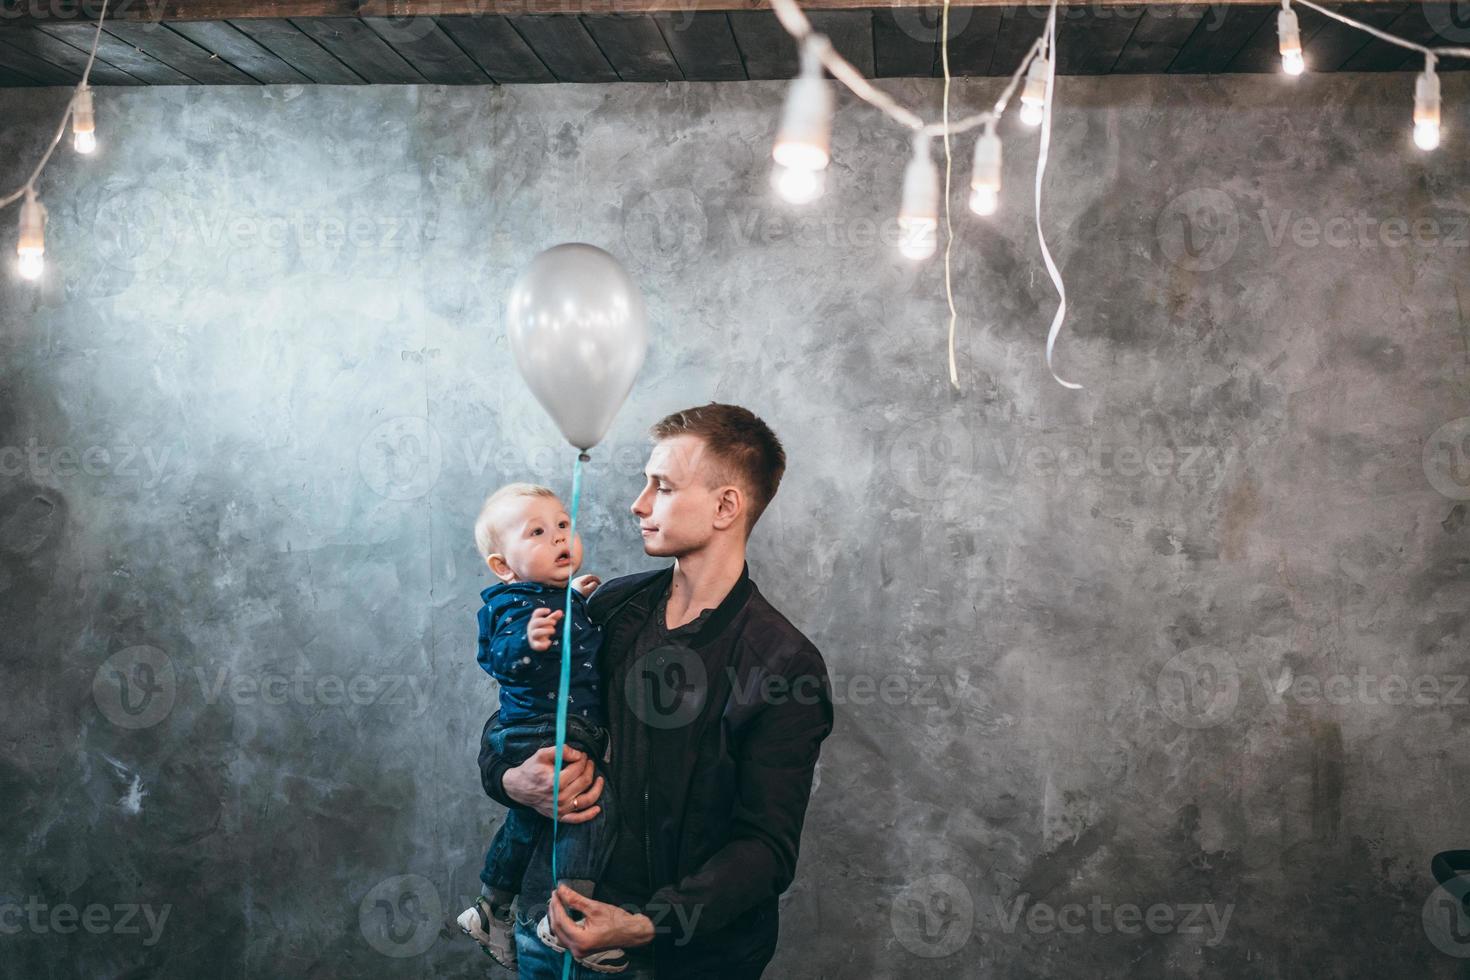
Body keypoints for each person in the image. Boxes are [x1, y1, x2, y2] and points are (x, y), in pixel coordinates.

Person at [479, 403, 834, 979]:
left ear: (726, 506)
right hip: (550, 932)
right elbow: (519, 715)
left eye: (662, 487)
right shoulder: (609, 609)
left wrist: (645, 924)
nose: (637, 503)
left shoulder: (783, 665)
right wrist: (510, 779)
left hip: (681, 961)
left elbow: (765, 851)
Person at [457, 483, 628, 973]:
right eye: (538, 531)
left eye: (562, 525)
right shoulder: (512, 607)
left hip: (551, 730)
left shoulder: (555, 598)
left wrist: (572, 597)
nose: (558, 538)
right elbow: (498, 656)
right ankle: (567, 915)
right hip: (536, 731)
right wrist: (529, 640)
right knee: (592, 805)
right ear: (503, 566)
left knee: (531, 818)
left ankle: (491, 906)